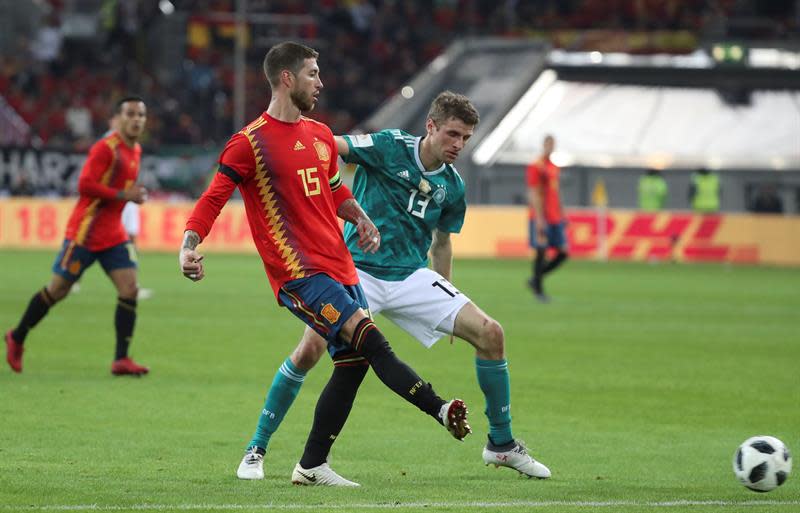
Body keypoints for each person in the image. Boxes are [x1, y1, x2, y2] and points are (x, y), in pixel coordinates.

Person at [179, 42, 471, 487]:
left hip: (343, 267)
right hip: (300, 275)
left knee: (351, 364)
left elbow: (333, 188)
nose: (322, 82)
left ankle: (312, 465)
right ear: (287, 79)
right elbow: (214, 196)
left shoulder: (318, 135)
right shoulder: (249, 143)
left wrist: (359, 216)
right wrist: (189, 243)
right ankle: (439, 408)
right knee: (369, 341)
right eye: (313, 74)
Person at [235, 91, 551, 485]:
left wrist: (446, 295)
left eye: (466, 138)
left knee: (491, 333)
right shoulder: (388, 146)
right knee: (309, 351)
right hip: (355, 270)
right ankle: (257, 447)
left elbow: (442, 242)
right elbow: (330, 145)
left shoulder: (453, 186)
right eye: (453, 134)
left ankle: (501, 444)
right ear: (431, 126)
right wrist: (287, 155)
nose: (459, 145)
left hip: (411, 276)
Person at [5, 96, 150, 376]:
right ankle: (18, 336)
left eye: (141, 115)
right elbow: (85, 185)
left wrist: (131, 196)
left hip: (114, 234)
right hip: (85, 232)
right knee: (58, 290)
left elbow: (120, 190)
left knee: (129, 288)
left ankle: (121, 359)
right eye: (130, 114)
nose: (136, 119)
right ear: (118, 119)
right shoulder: (105, 149)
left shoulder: (136, 150)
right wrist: (124, 195)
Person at [526, 134, 568, 303]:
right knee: (541, 250)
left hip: (555, 217)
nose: (550, 147)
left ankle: (535, 279)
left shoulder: (553, 167)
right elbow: (534, 193)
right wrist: (539, 218)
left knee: (563, 252)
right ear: (543, 145)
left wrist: (562, 214)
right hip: (542, 217)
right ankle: (539, 291)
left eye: (553, 144)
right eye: (548, 143)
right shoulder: (537, 166)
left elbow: (555, 193)